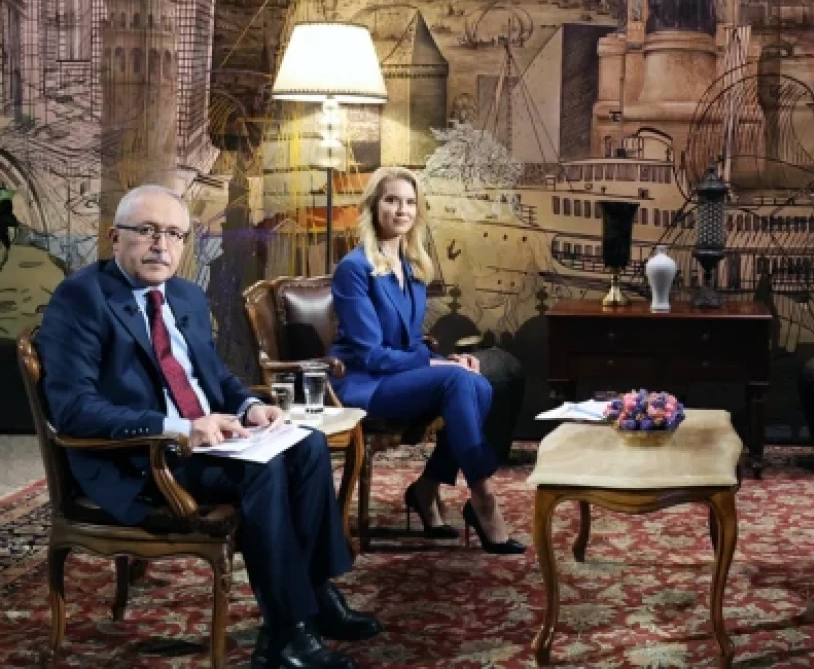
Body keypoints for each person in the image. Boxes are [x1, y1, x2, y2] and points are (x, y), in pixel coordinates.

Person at [38, 185, 381, 669]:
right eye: (147, 231)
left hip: (206, 443)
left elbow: (214, 377)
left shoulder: (185, 295)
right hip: (138, 459)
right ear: (115, 237)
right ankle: (285, 636)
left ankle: (316, 594)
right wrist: (179, 427)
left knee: (307, 445)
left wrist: (248, 407)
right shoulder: (81, 299)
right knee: (263, 471)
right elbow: (74, 409)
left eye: (174, 234)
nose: (161, 245)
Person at [329, 167, 525, 555]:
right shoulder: (354, 268)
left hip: (396, 374)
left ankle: (427, 487)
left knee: (478, 382)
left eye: (410, 202)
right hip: (365, 382)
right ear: (373, 206)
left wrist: (443, 359)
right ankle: (484, 499)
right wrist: (437, 366)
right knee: (458, 380)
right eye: (392, 200)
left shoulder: (413, 266)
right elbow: (371, 354)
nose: (402, 209)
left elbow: (408, 343)